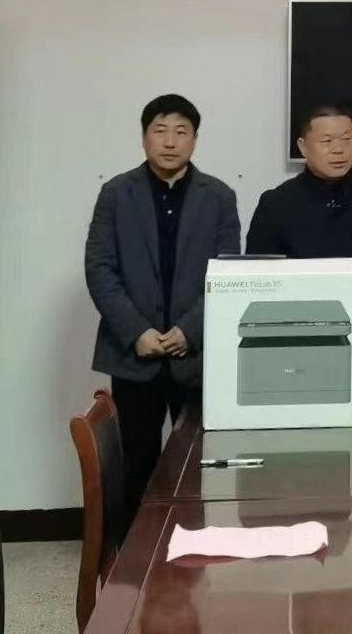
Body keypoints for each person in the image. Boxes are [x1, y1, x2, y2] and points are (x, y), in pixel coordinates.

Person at [84, 94, 240, 518]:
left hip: (197, 356)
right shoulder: (116, 194)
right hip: (135, 356)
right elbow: (100, 269)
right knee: (138, 466)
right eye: (160, 130)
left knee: (201, 464)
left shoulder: (219, 197)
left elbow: (227, 274)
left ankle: (195, 549)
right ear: (144, 137)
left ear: (194, 140)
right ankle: (137, 555)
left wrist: (191, 330)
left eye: (181, 132)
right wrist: (136, 331)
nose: (170, 141)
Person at [245, 104, 352, 257]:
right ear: (303, 147)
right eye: (327, 141)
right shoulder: (275, 204)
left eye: (347, 139)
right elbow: (258, 272)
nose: (339, 149)